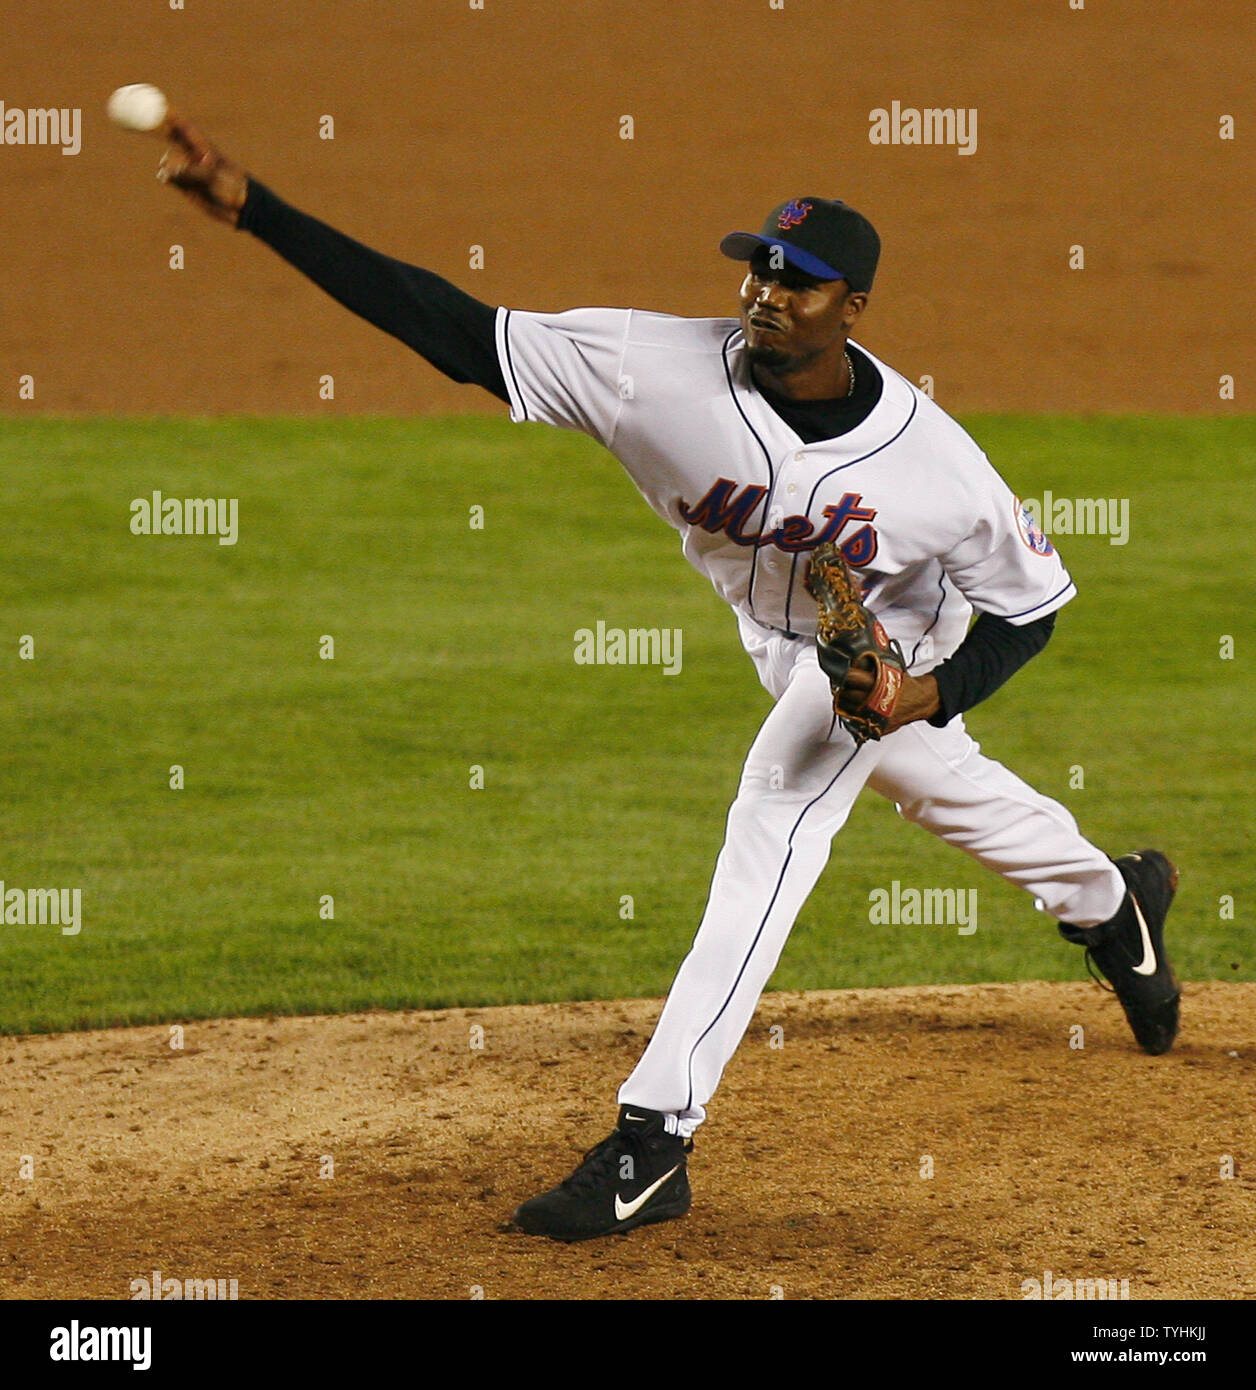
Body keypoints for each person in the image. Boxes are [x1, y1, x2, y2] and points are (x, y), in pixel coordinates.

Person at [156, 122, 1181, 1244]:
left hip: (887, 646)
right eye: (759, 267)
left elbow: (1034, 604)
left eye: (798, 282)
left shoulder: (935, 465)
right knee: (934, 791)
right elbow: (450, 328)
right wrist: (256, 209)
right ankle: (1108, 900)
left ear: (854, 308)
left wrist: (917, 692)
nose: (766, 291)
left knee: (773, 818)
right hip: (774, 634)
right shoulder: (647, 368)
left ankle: (654, 1137)